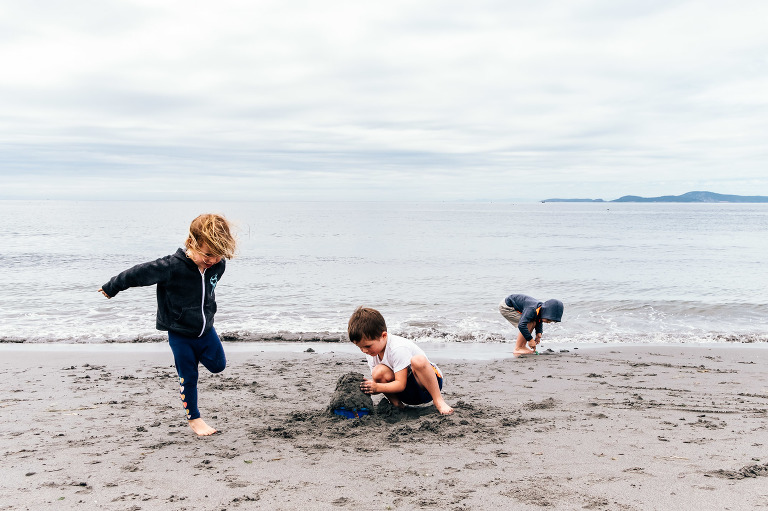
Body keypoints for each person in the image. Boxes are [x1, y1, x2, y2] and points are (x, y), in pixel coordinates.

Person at [98, 213, 237, 436]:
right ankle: (195, 419)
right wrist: (112, 286)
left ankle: (194, 359)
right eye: (208, 254)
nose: (212, 260)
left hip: (206, 329)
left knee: (218, 365)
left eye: (219, 255)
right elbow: (137, 274)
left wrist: (206, 308)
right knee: (189, 376)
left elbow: (206, 290)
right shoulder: (171, 266)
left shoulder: (217, 266)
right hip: (180, 333)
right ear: (192, 243)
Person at [348, 306, 453, 415]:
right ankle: (397, 405)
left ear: (383, 336)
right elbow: (382, 382)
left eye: (368, 346)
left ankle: (439, 401)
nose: (364, 350)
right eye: (359, 347)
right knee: (378, 372)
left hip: (426, 386)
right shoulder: (371, 353)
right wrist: (371, 387)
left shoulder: (397, 348)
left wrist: (377, 387)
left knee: (418, 360)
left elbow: (400, 384)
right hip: (406, 394)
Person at [499, 294, 564, 355]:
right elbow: (521, 325)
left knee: (533, 322)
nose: (549, 322)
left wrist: (538, 333)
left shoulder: (540, 309)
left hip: (515, 306)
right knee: (529, 322)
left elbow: (538, 319)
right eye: (548, 320)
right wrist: (530, 340)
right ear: (545, 312)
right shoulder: (532, 309)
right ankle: (518, 348)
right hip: (507, 307)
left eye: (551, 321)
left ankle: (522, 346)